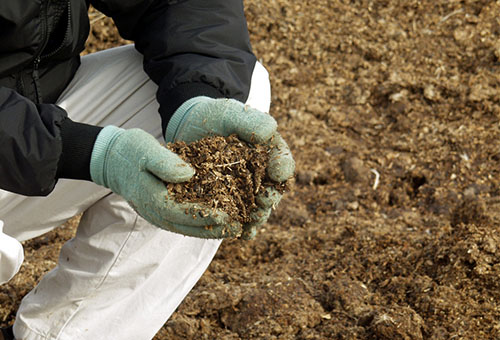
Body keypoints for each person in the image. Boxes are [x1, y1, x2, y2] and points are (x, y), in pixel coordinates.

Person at [0, 1, 295, 339]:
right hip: (21, 142)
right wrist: (91, 151)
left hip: (32, 121)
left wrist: (195, 100)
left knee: (235, 96)